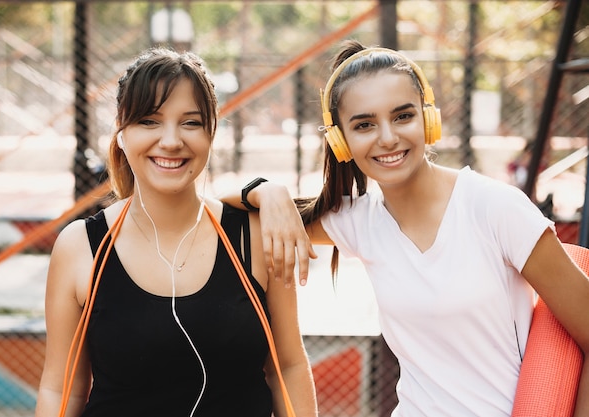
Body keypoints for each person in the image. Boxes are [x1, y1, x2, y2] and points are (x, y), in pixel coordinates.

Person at [230, 40, 589, 416]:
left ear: (427, 118)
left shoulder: (496, 208)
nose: (387, 137)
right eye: (365, 124)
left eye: (403, 116)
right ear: (341, 141)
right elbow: (225, 210)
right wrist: (268, 192)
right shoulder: (357, 222)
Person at [35, 47, 317, 417]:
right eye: (149, 121)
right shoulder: (81, 246)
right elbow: (62, 390)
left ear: (212, 132)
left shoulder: (255, 237)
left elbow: (289, 367)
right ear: (120, 132)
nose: (170, 141)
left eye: (190, 122)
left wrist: (268, 191)